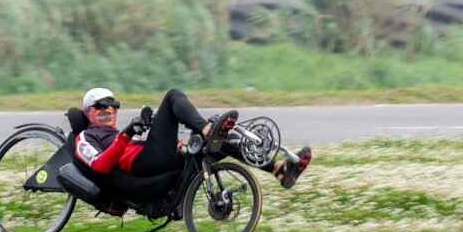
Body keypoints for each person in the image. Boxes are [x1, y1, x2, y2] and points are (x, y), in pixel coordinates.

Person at [72, 87, 312, 191]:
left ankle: (279, 169)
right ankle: (207, 128)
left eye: (113, 104)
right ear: (89, 111)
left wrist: (146, 125)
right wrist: (127, 133)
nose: (110, 109)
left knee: (216, 145)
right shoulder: (86, 136)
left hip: (160, 157)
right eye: (103, 105)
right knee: (172, 96)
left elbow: (134, 144)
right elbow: (100, 164)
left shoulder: (115, 134)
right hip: (145, 164)